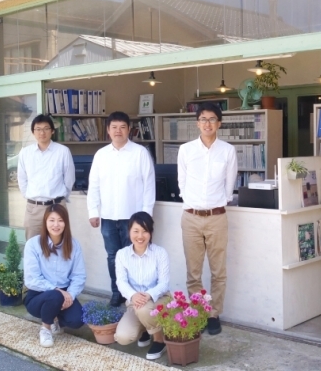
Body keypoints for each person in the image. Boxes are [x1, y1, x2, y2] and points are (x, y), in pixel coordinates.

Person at [177, 102, 237, 336]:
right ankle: (199, 312)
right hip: (191, 217)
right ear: (197, 123)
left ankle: (213, 314)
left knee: (218, 270)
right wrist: (191, 201)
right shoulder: (186, 150)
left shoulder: (227, 150)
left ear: (219, 123)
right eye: (203, 119)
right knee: (193, 271)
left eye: (212, 119)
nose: (207, 124)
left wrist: (217, 202)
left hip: (216, 217)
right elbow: (181, 182)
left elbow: (229, 184)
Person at [87, 111, 156, 307]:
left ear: (129, 130)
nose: (118, 131)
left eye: (122, 127)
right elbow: (94, 185)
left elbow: (149, 185)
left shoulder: (140, 153)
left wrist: (146, 216)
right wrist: (93, 212)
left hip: (133, 218)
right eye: (114, 127)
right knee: (113, 257)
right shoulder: (101, 155)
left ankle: (134, 296)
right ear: (108, 130)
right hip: (108, 216)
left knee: (134, 256)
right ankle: (117, 292)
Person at [23, 204, 86, 348]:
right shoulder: (33, 244)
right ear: (45, 222)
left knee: (78, 320)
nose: (56, 225)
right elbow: (31, 279)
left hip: (65, 292)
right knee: (55, 295)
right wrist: (58, 291)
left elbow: (79, 275)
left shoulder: (74, 245)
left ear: (66, 223)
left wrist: (70, 295)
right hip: (39, 295)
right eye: (52, 220)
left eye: (60, 220)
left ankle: (55, 318)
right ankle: (46, 328)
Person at [114, 212, 170, 360]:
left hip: (159, 299)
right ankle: (146, 329)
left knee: (145, 308)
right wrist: (133, 295)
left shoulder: (160, 253)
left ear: (150, 233)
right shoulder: (122, 254)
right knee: (122, 337)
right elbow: (121, 282)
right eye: (136, 231)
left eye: (145, 231)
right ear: (129, 232)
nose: (140, 236)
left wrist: (148, 295)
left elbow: (164, 283)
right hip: (135, 302)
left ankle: (159, 340)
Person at [17, 114, 75, 240]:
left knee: (59, 245)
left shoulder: (63, 151)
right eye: (38, 129)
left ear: (52, 131)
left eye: (46, 128)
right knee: (33, 246)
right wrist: (29, 195)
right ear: (33, 132)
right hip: (34, 209)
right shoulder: (25, 153)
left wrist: (61, 197)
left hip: (57, 206)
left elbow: (69, 179)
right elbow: (22, 178)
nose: (42, 132)